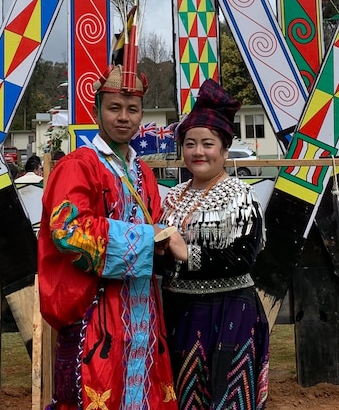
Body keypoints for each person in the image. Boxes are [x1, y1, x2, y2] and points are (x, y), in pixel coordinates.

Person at [38, 64, 186, 410]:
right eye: (114, 108)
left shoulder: (145, 174)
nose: (124, 118)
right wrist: (149, 238)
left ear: (142, 114)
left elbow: (157, 229)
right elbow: (68, 232)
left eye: (132, 109)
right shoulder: (78, 165)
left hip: (144, 317)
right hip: (95, 316)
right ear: (96, 111)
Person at [160, 79, 269, 410]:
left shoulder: (239, 196)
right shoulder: (173, 198)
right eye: (190, 143)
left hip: (229, 311)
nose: (197, 152)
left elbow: (243, 257)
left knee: (228, 397)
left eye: (207, 144)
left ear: (224, 149)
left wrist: (186, 252)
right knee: (183, 397)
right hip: (179, 312)